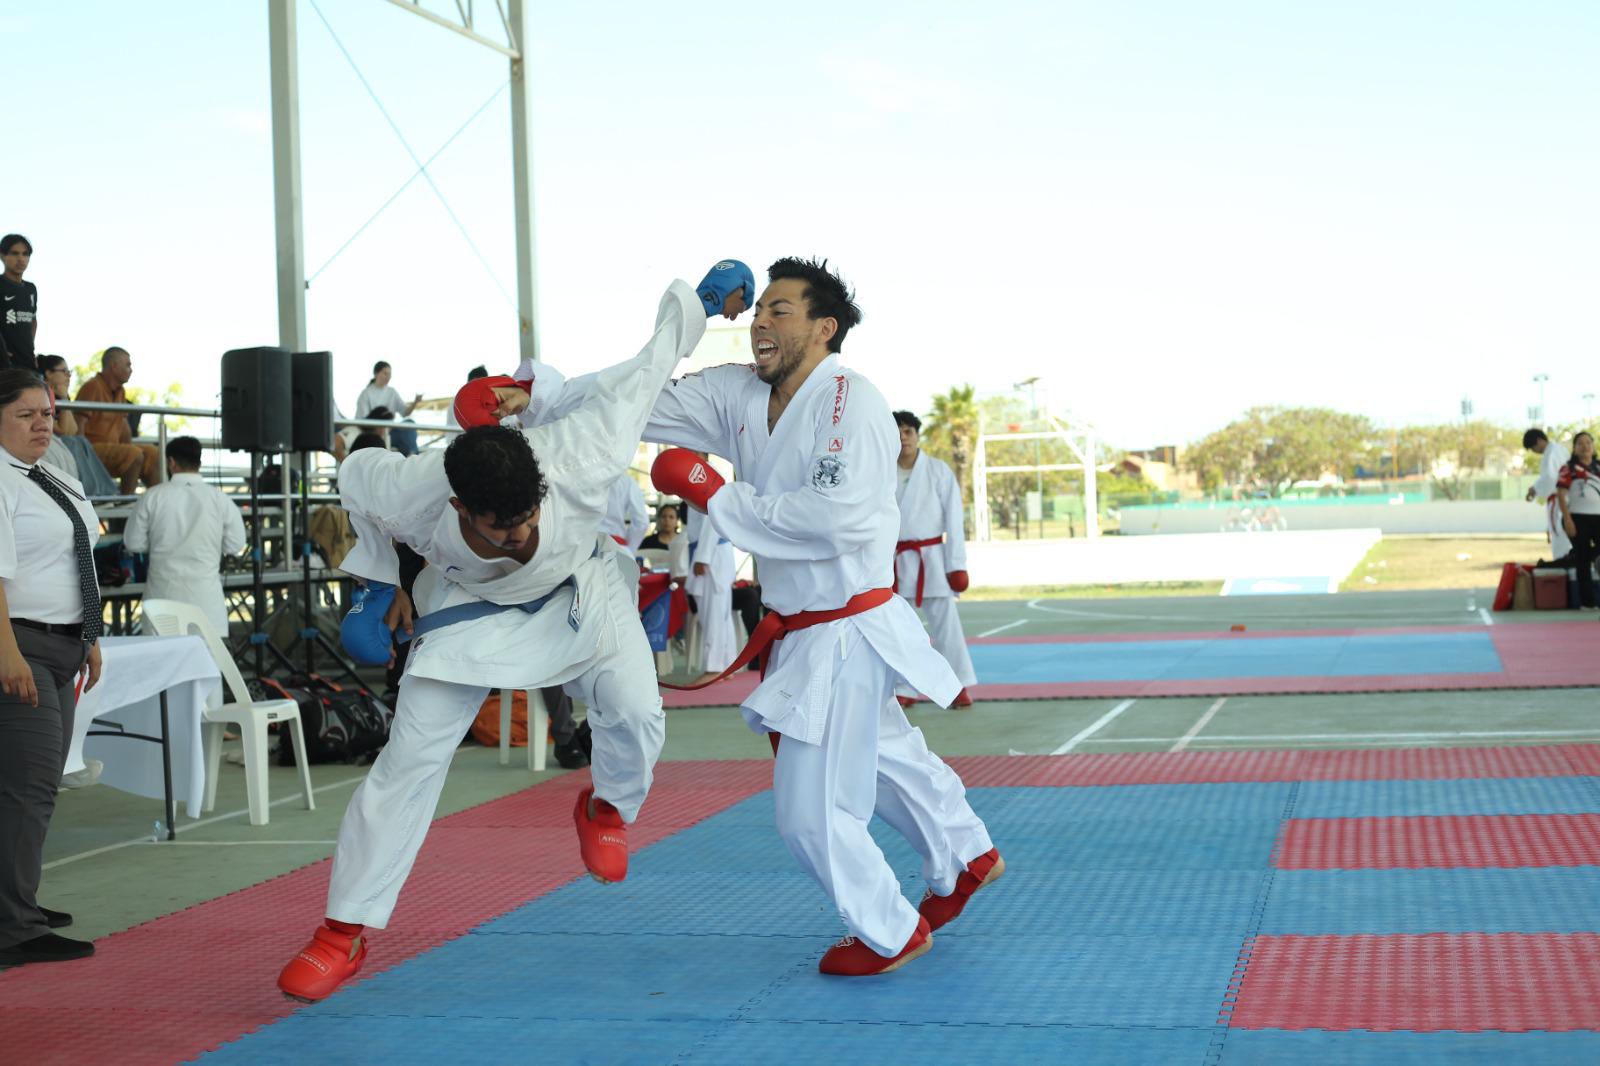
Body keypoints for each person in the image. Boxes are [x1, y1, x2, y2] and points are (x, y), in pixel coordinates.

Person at [519, 258, 1001, 976]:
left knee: (808, 815)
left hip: (842, 630)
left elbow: (832, 518)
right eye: (759, 311)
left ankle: (891, 929)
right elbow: (635, 398)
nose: (761, 323)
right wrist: (539, 394)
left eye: (781, 311)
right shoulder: (738, 393)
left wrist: (718, 495)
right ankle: (965, 853)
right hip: (807, 626)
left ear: (824, 328)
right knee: (885, 754)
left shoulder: (852, 402)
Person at [275, 266, 721, 1003]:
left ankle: (606, 806)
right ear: (458, 505)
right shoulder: (411, 488)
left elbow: (649, 363)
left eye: (524, 519)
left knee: (639, 712)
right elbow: (355, 474)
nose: (516, 534)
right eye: (499, 524)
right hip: (466, 610)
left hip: (584, 587)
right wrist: (376, 584)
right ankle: (341, 931)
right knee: (406, 763)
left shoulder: (581, 454)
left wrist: (700, 302)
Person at [0, 368, 103, 966]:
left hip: (60, 645)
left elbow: (75, 557)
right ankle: (13, 927)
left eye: (46, 412)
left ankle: (18, 903)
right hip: (20, 645)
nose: (42, 423)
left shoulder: (53, 477)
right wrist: (6, 652)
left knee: (33, 786)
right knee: (27, 788)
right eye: (25, 415)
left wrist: (88, 635)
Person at [890, 410, 975, 708]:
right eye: (897, 431)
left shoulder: (938, 471)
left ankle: (958, 685)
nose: (903, 437)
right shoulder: (880, 472)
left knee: (947, 628)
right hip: (895, 561)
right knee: (901, 630)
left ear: (917, 434)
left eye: (908, 431)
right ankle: (904, 686)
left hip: (933, 559)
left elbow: (954, 521)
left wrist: (957, 565)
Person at [123, 436, 247, 634]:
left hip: (162, 599)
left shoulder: (152, 496)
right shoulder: (220, 499)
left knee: (163, 661)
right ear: (199, 462)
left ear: (171, 462)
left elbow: (133, 543)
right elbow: (235, 544)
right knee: (208, 662)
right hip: (207, 601)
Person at [74, 347, 159, 493]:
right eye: (128, 365)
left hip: (113, 449)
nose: (131, 370)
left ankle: (159, 502)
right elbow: (78, 424)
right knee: (134, 455)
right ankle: (122, 508)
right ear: (114, 366)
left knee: (152, 452)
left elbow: (123, 426)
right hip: (91, 449)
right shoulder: (92, 386)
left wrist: (129, 446)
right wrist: (82, 458)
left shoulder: (121, 391)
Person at [1556, 431, 1600, 609]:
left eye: (1588, 443)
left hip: (1598, 518)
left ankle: (1594, 557)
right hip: (1577, 518)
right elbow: (1561, 495)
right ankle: (1587, 602)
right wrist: (1567, 520)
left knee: (1590, 556)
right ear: (1574, 448)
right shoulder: (1569, 469)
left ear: (1593, 446)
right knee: (1582, 559)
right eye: (1580, 443)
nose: (1585, 446)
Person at [1525, 428, 1573, 565]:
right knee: (1562, 535)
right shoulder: (1560, 449)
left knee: (1560, 536)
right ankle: (1565, 562)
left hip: (1559, 500)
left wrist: (1534, 489)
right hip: (1564, 499)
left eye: (1533, 447)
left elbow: (1551, 478)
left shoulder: (1551, 452)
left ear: (1539, 441)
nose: (1534, 451)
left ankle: (1562, 563)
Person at [356, 362, 421, 456]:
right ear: (376, 374)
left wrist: (415, 402)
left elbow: (405, 412)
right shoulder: (366, 394)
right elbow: (361, 421)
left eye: (390, 374)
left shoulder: (392, 392)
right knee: (406, 440)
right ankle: (413, 458)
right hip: (375, 435)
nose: (388, 377)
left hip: (391, 432)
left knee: (409, 424)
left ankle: (412, 456)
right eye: (385, 373)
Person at [0, 235, 38, 372]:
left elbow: (33, 319)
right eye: (15, 253)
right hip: (6, 365)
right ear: (2, 256)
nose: (21, 259)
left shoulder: (31, 288)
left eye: (25, 254)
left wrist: (30, 348)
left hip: (28, 361)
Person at [602, 475, 649, 554]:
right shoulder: (626, 482)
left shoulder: (581, 478)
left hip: (581, 550)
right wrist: (629, 549)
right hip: (616, 547)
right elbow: (642, 523)